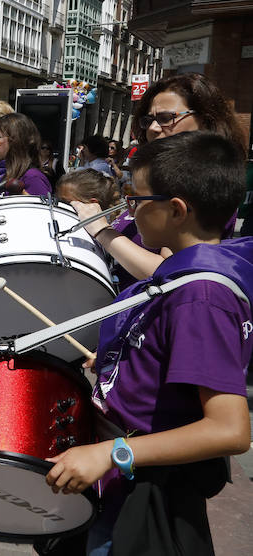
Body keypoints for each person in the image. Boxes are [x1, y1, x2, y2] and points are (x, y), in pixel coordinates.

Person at [45, 131, 251, 555]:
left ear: (176, 210)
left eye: (136, 200)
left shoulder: (202, 296)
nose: (129, 211)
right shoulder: (182, 273)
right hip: (125, 474)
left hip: (140, 487)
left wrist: (112, 452)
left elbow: (230, 429)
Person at [71, 73, 247, 291]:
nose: (153, 128)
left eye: (166, 118)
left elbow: (172, 272)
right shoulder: (160, 177)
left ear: (205, 119)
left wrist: (101, 230)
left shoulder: (201, 187)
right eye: (148, 120)